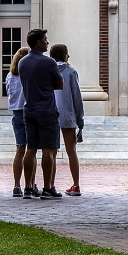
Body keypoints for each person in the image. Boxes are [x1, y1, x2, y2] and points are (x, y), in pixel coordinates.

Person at [17, 28, 64, 200]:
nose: (47, 42)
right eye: (45, 39)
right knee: (48, 149)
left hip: (28, 110)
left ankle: (28, 187)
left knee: (30, 149)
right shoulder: (49, 62)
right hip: (47, 110)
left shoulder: (22, 62)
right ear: (38, 42)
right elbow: (60, 84)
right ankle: (47, 188)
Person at [50, 43, 85, 197]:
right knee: (71, 152)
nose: (69, 56)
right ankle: (76, 185)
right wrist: (80, 119)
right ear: (64, 54)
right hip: (68, 114)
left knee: (52, 152)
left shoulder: (47, 71)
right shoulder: (71, 72)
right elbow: (77, 97)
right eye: (67, 53)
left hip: (50, 114)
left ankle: (50, 184)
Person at [5, 46, 36, 198]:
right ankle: (30, 185)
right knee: (32, 150)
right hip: (30, 112)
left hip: (16, 113)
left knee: (20, 150)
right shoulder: (29, 75)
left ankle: (16, 185)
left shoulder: (10, 76)